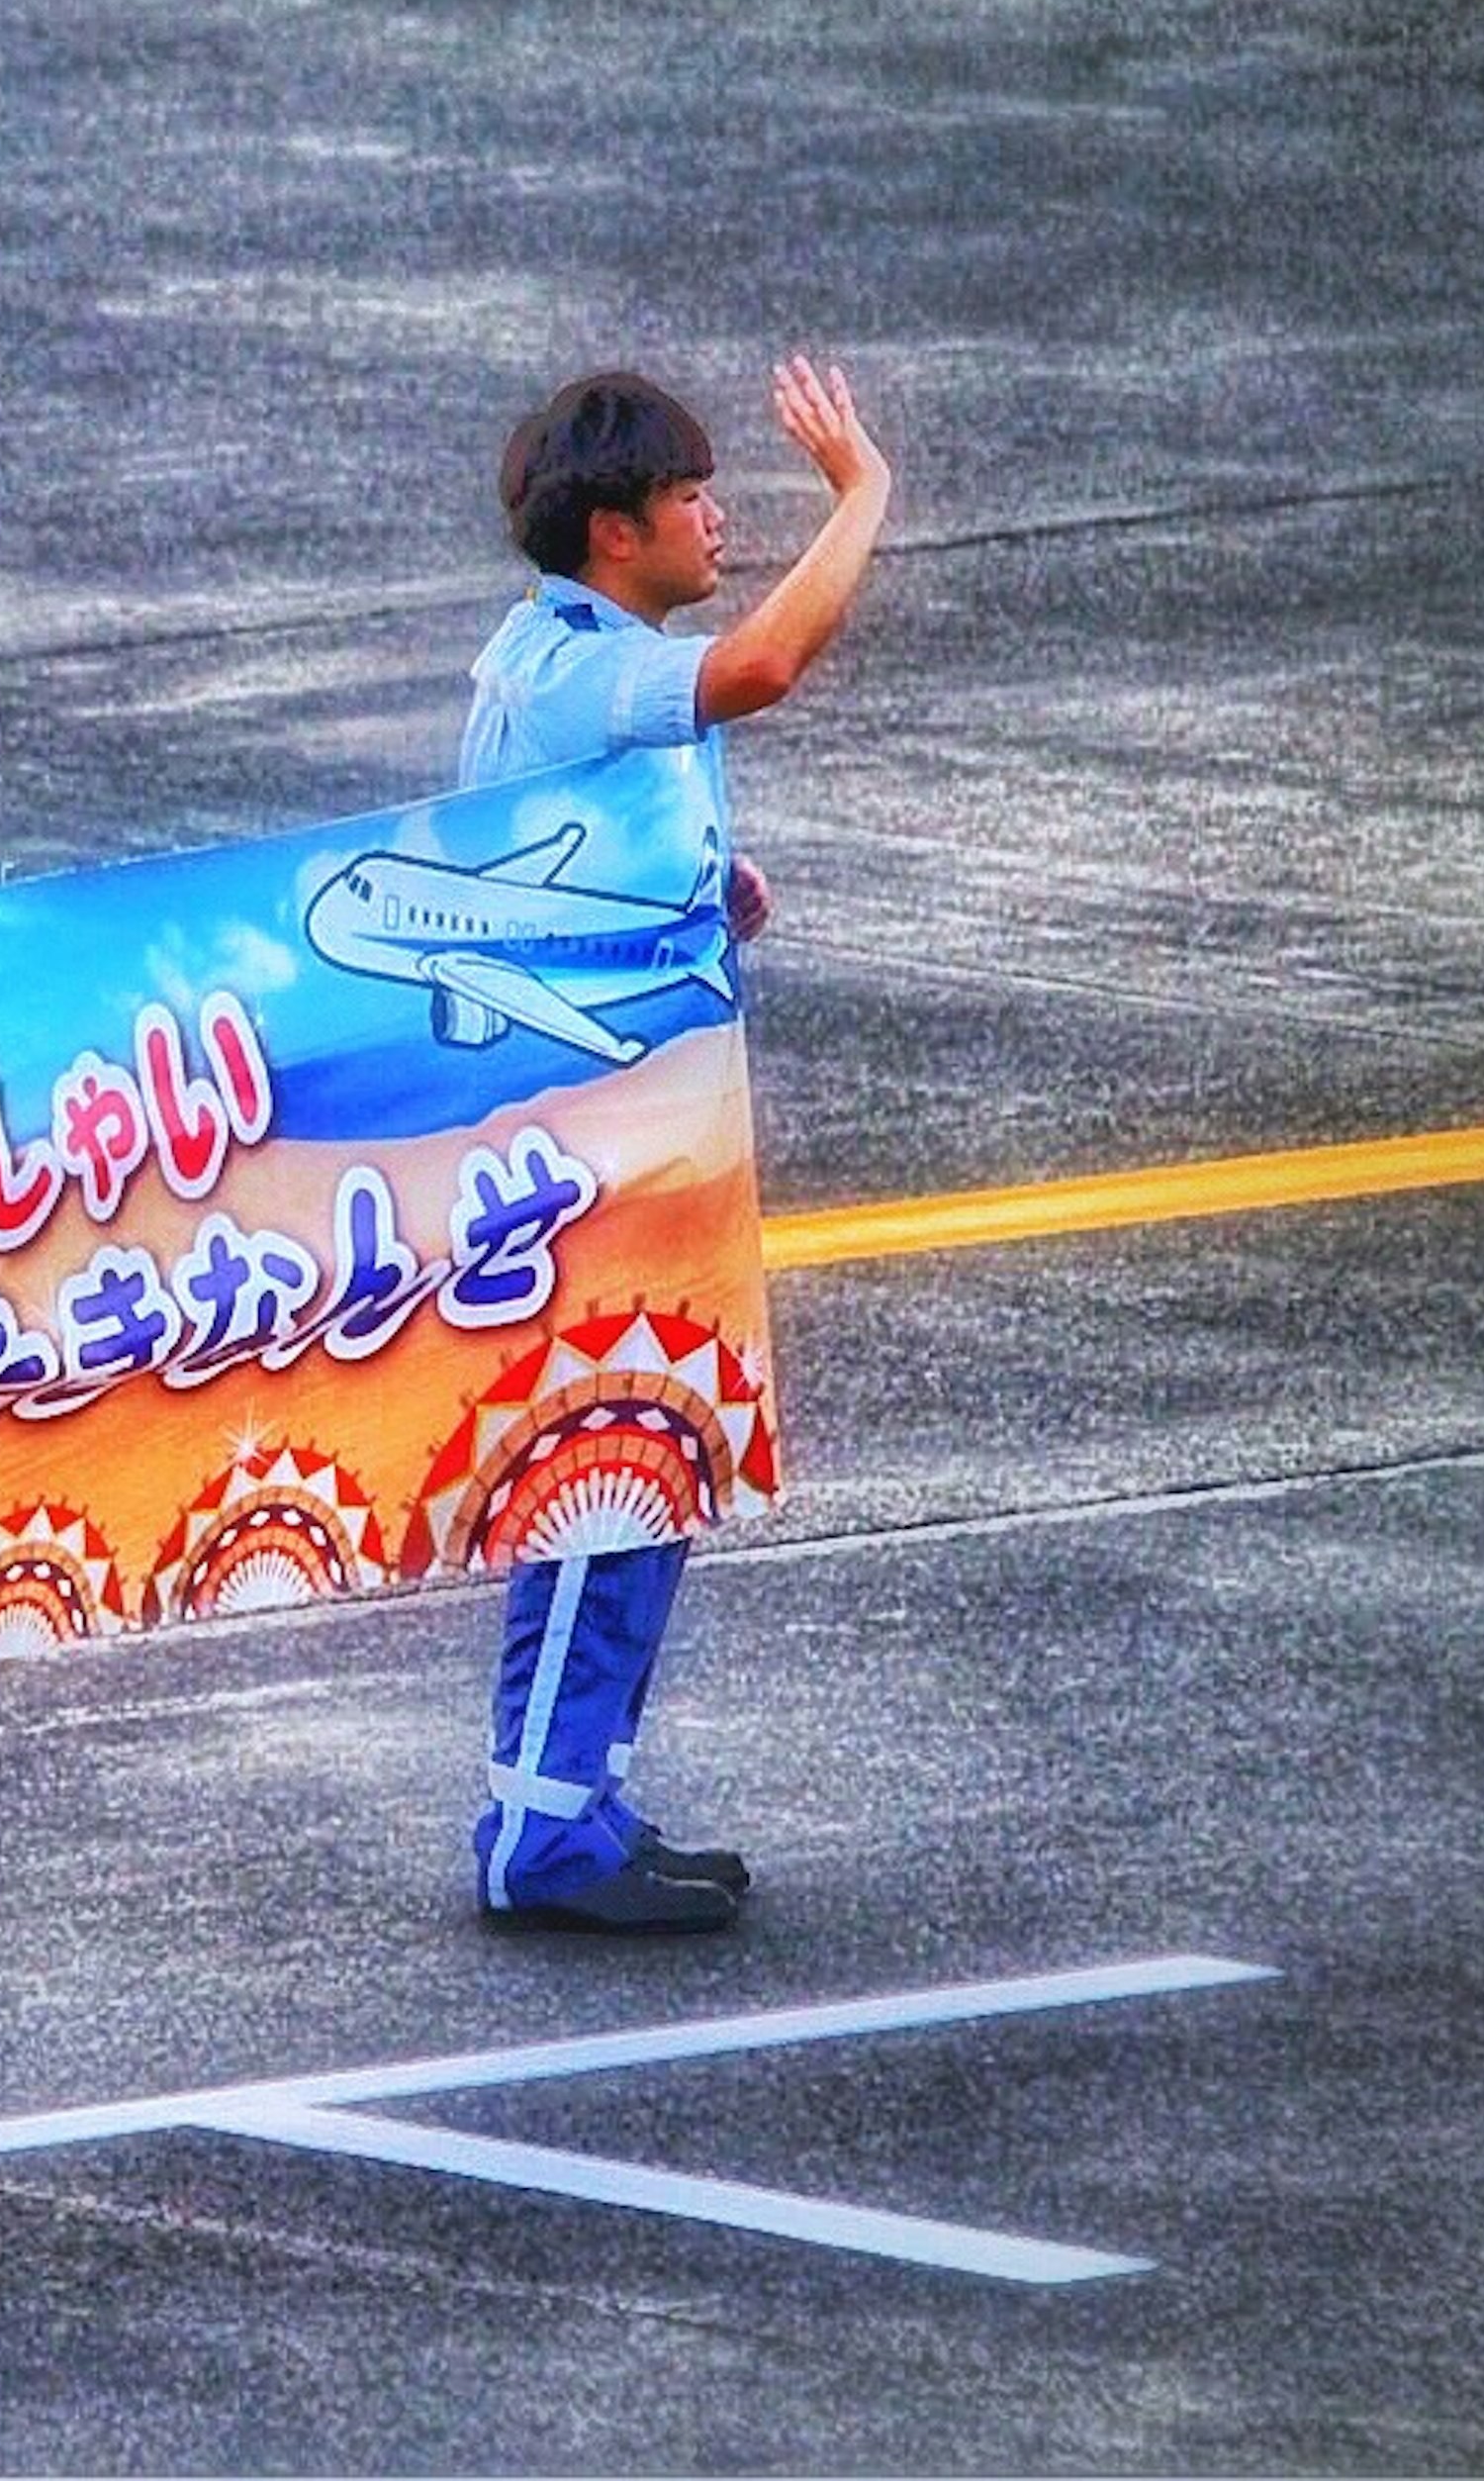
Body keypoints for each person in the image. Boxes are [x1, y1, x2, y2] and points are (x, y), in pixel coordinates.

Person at [459, 359, 890, 1934]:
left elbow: (578, 858)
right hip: (589, 1144)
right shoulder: (577, 667)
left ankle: (572, 1799)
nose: (719, 519)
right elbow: (767, 664)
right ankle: (541, 1825)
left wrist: (696, 894)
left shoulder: (566, 652)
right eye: (695, 497)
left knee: (644, 1461)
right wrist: (866, 499)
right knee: (606, 1465)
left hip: (617, 1121)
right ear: (615, 529)